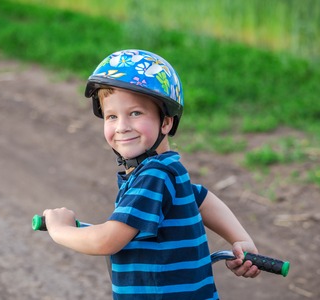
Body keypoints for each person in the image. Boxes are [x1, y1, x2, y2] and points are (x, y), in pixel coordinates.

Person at [43, 49, 260, 299]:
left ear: (166, 122)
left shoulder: (154, 175)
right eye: (112, 116)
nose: (122, 126)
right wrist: (240, 238)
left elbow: (106, 241)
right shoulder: (167, 169)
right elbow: (200, 198)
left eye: (135, 113)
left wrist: (59, 229)